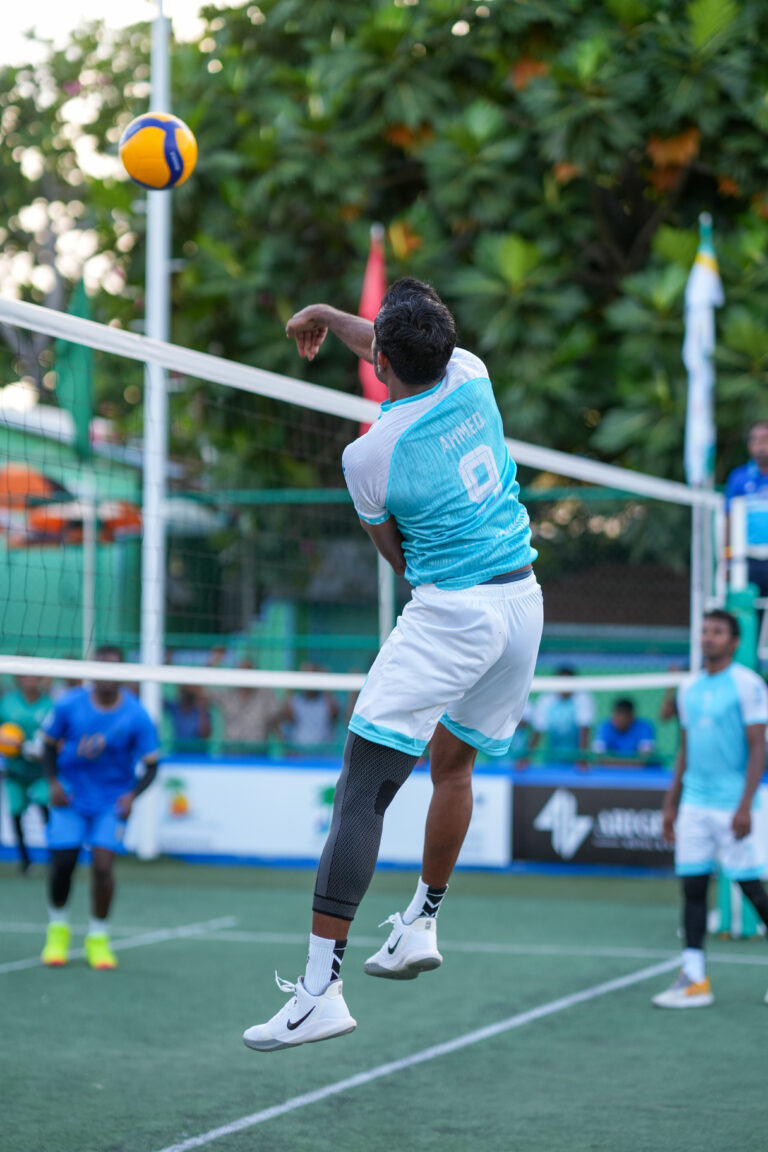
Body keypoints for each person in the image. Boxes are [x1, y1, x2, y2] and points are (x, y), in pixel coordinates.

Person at [243, 278, 542, 1051]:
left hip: (453, 612)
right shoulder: (471, 374)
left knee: (362, 789)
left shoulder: (370, 454)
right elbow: (391, 342)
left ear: (380, 360)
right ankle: (420, 923)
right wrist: (329, 314)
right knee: (453, 766)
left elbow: (398, 556)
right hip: (522, 602)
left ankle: (320, 992)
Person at [652, 610, 768, 1008]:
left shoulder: (748, 684)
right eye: (705, 631)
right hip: (695, 806)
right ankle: (694, 978)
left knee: (752, 889)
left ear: (734, 642)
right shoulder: (689, 687)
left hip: (734, 806)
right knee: (693, 889)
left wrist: (745, 805)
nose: (708, 637)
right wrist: (671, 803)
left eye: (717, 632)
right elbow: (685, 749)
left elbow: (758, 747)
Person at [39, 645, 160, 970]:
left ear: (123, 673)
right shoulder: (69, 704)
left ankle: (98, 938)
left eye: (113, 669)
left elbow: (152, 765)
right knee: (63, 865)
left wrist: (132, 795)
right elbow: (47, 746)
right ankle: (57, 931)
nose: (106, 676)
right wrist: (53, 783)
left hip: (110, 801)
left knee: (103, 868)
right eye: (101, 668)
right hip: (70, 796)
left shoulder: (136, 715)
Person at [0, 675, 53, 874]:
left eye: (34, 678)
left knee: (44, 806)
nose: (30, 681)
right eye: (26, 677)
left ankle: (55, 857)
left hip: (40, 771)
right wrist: (7, 743)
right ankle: (25, 861)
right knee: (16, 813)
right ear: (19, 679)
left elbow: (56, 736)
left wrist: (39, 750)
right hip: (15, 770)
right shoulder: (7, 703)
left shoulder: (49, 705)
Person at [725, 421, 768, 596]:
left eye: (765, 439)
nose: (760, 445)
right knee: (746, 607)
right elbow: (728, 518)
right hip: (746, 558)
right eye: (755, 440)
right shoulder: (739, 477)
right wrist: (727, 558)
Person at [210, 657, 283, 753]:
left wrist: (284, 748)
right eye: (240, 673)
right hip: (231, 754)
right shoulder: (227, 695)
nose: (244, 677)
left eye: (247, 672)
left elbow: (275, 724)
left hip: (256, 755)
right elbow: (200, 691)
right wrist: (212, 662)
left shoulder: (265, 696)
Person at [527, 666, 595, 768]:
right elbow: (538, 731)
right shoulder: (546, 700)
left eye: (567, 683)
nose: (564, 687)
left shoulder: (583, 699)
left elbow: (584, 730)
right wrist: (527, 757)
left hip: (577, 758)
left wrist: (583, 758)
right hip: (552, 758)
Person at [281, 663, 340, 750]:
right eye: (306, 676)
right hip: (300, 753)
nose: (309, 681)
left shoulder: (326, 701)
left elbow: (334, 715)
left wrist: (326, 682)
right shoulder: (296, 700)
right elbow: (287, 717)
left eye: (313, 676)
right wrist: (290, 684)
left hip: (323, 754)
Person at [591, 698, 657, 766]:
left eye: (621, 715)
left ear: (631, 716)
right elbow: (598, 758)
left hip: (641, 772)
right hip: (613, 771)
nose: (617, 719)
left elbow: (644, 760)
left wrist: (612, 762)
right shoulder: (604, 727)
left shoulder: (644, 728)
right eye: (615, 715)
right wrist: (631, 763)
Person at [165, 684, 212, 750]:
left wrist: (202, 709)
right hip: (179, 752)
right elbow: (158, 700)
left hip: (198, 752)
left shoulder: (201, 710)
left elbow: (205, 735)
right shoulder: (175, 707)